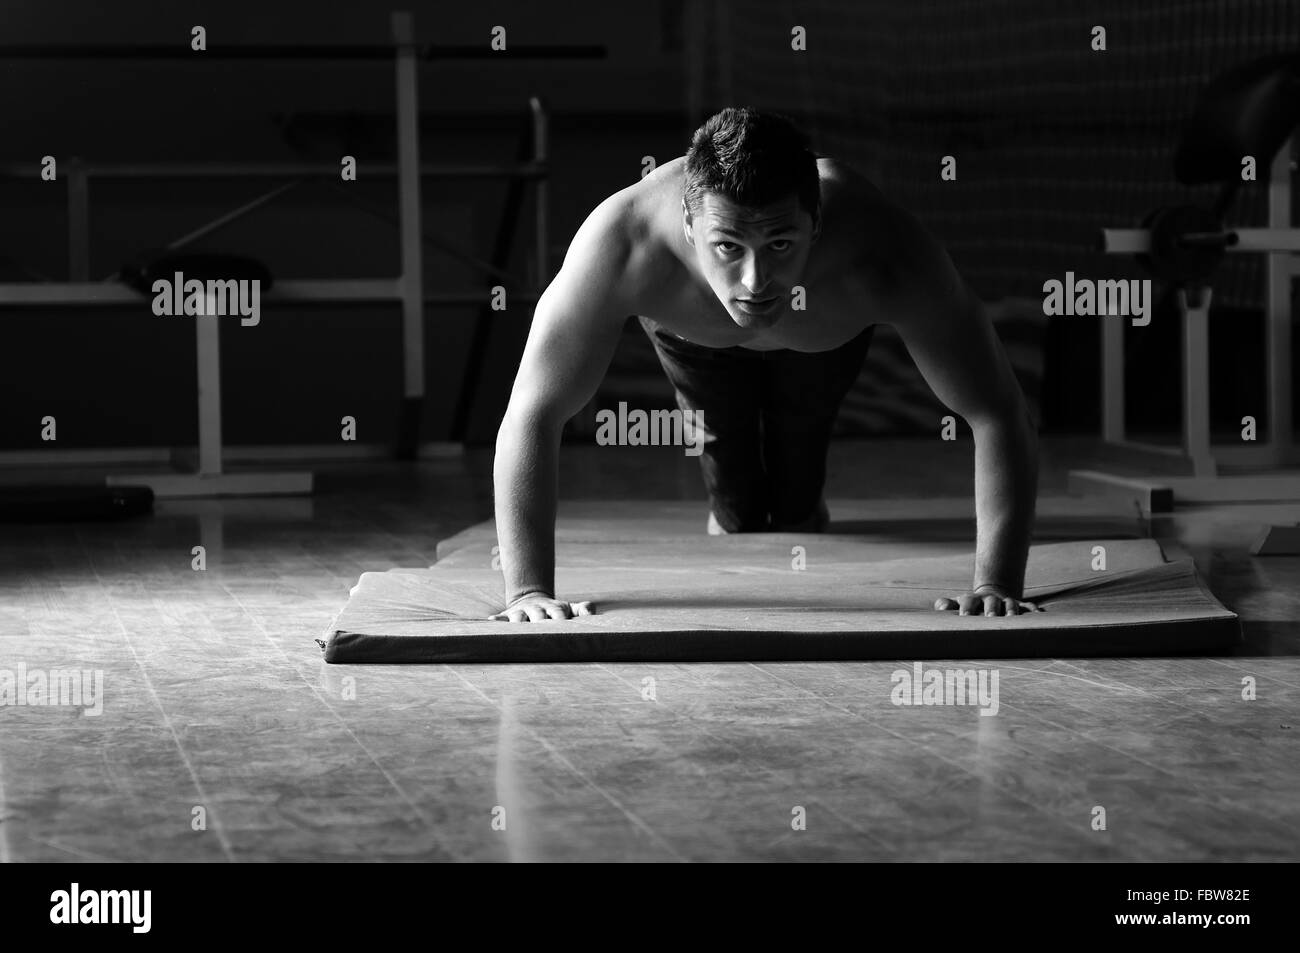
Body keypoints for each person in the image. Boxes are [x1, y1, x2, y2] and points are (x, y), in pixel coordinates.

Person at [491, 107, 1040, 622]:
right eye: (728, 246)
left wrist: (997, 584)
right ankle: (743, 511)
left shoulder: (886, 249)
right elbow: (533, 413)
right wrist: (528, 591)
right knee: (738, 514)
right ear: (688, 224)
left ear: (817, 223)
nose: (756, 282)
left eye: (780, 243)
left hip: (821, 342)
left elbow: (996, 411)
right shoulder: (622, 241)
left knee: (797, 495)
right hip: (693, 340)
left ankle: (804, 509)